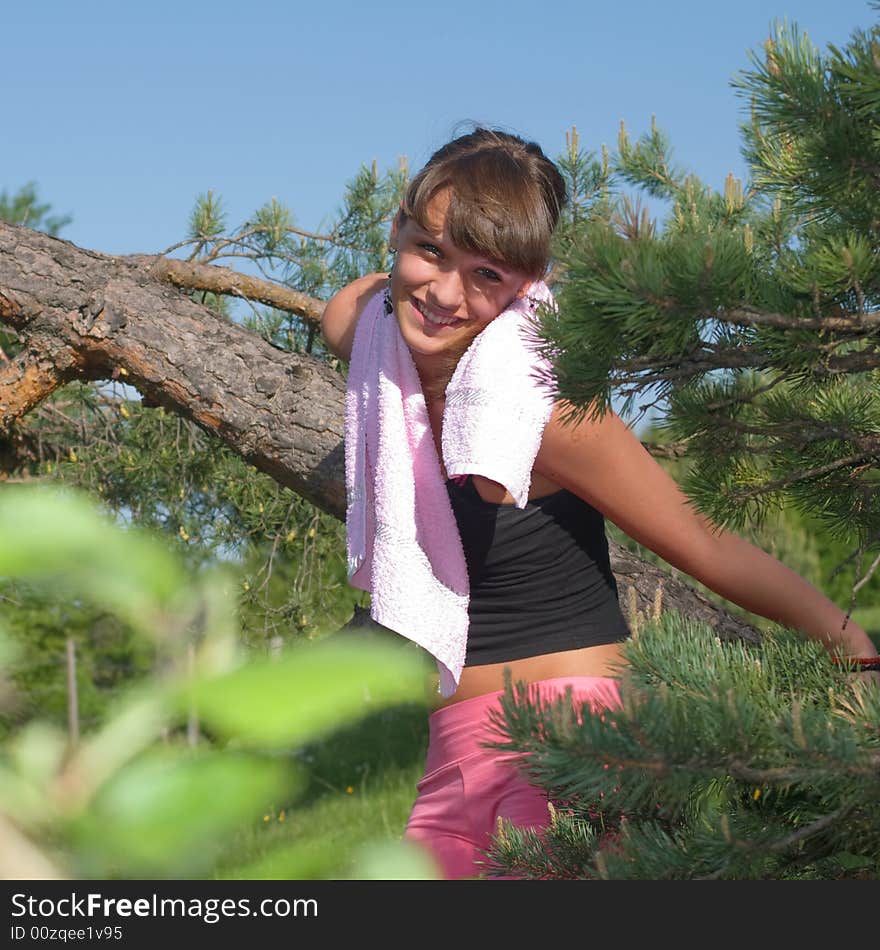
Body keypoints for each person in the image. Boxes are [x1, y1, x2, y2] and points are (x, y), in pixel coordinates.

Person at [320, 127, 879, 880]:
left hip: (575, 743)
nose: (445, 293)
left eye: (486, 273)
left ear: (530, 286)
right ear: (396, 230)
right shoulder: (371, 336)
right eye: (430, 250)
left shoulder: (540, 407)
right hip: (454, 745)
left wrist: (849, 644)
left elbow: (702, 541)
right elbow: (353, 301)